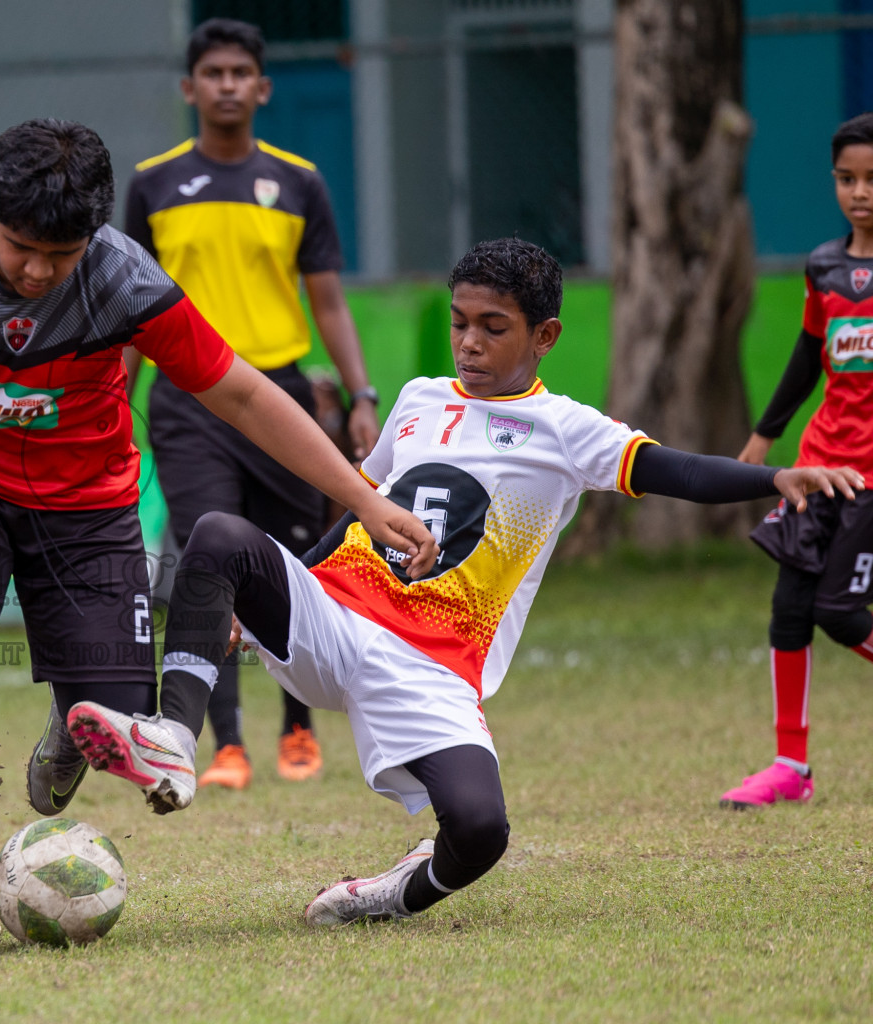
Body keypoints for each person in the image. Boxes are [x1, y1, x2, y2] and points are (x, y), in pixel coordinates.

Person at [66, 237, 863, 926]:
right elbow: (358, 513)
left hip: (433, 667)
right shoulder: (417, 401)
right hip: (336, 617)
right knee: (219, 536)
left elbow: (672, 469)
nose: (469, 343)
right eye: (459, 324)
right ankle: (172, 738)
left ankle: (386, 895)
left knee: (481, 832)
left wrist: (774, 478)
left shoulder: (567, 430)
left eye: (493, 327)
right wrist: (278, 588)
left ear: (545, 334)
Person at [0, 118, 438, 953]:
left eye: (59, 256)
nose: (37, 271)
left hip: (87, 510)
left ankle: (74, 719)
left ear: (92, 236)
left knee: (123, 724)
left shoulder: (126, 282)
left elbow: (241, 394)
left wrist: (363, 498)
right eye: (21, 247)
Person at [122, 18, 382, 790]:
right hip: (187, 399)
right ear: (190, 88)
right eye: (215, 72)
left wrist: (359, 393)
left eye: (242, 72)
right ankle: (225, 742)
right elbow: (132, 311)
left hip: (281, 397)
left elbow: (329, 303)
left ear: (263, 88)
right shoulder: (153, 183)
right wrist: (113, 406)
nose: (229, 84)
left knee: (295, 562)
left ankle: (298, 730)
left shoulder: (300, 181)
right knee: (208, 551)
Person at [719, 112, 873, 809]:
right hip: (819, 467)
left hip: (870, 478)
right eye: (847, 178)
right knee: (789, 608)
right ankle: (791, 767)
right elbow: (809, 356)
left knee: (841, 613)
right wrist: (764, 436)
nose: (859, 192)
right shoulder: (825, 267)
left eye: (872, 179)